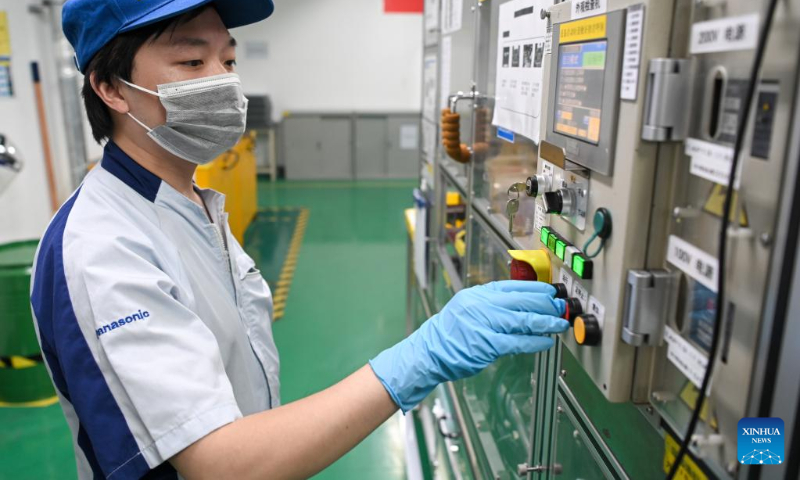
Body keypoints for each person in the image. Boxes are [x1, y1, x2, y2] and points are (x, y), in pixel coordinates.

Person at [29, 1, 569, 478]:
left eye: (229, 60)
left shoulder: (189, 202)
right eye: (193, 62)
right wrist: (421, 357)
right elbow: (221, 463)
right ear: (109, 88)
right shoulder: (101, 248)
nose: (223, 81)